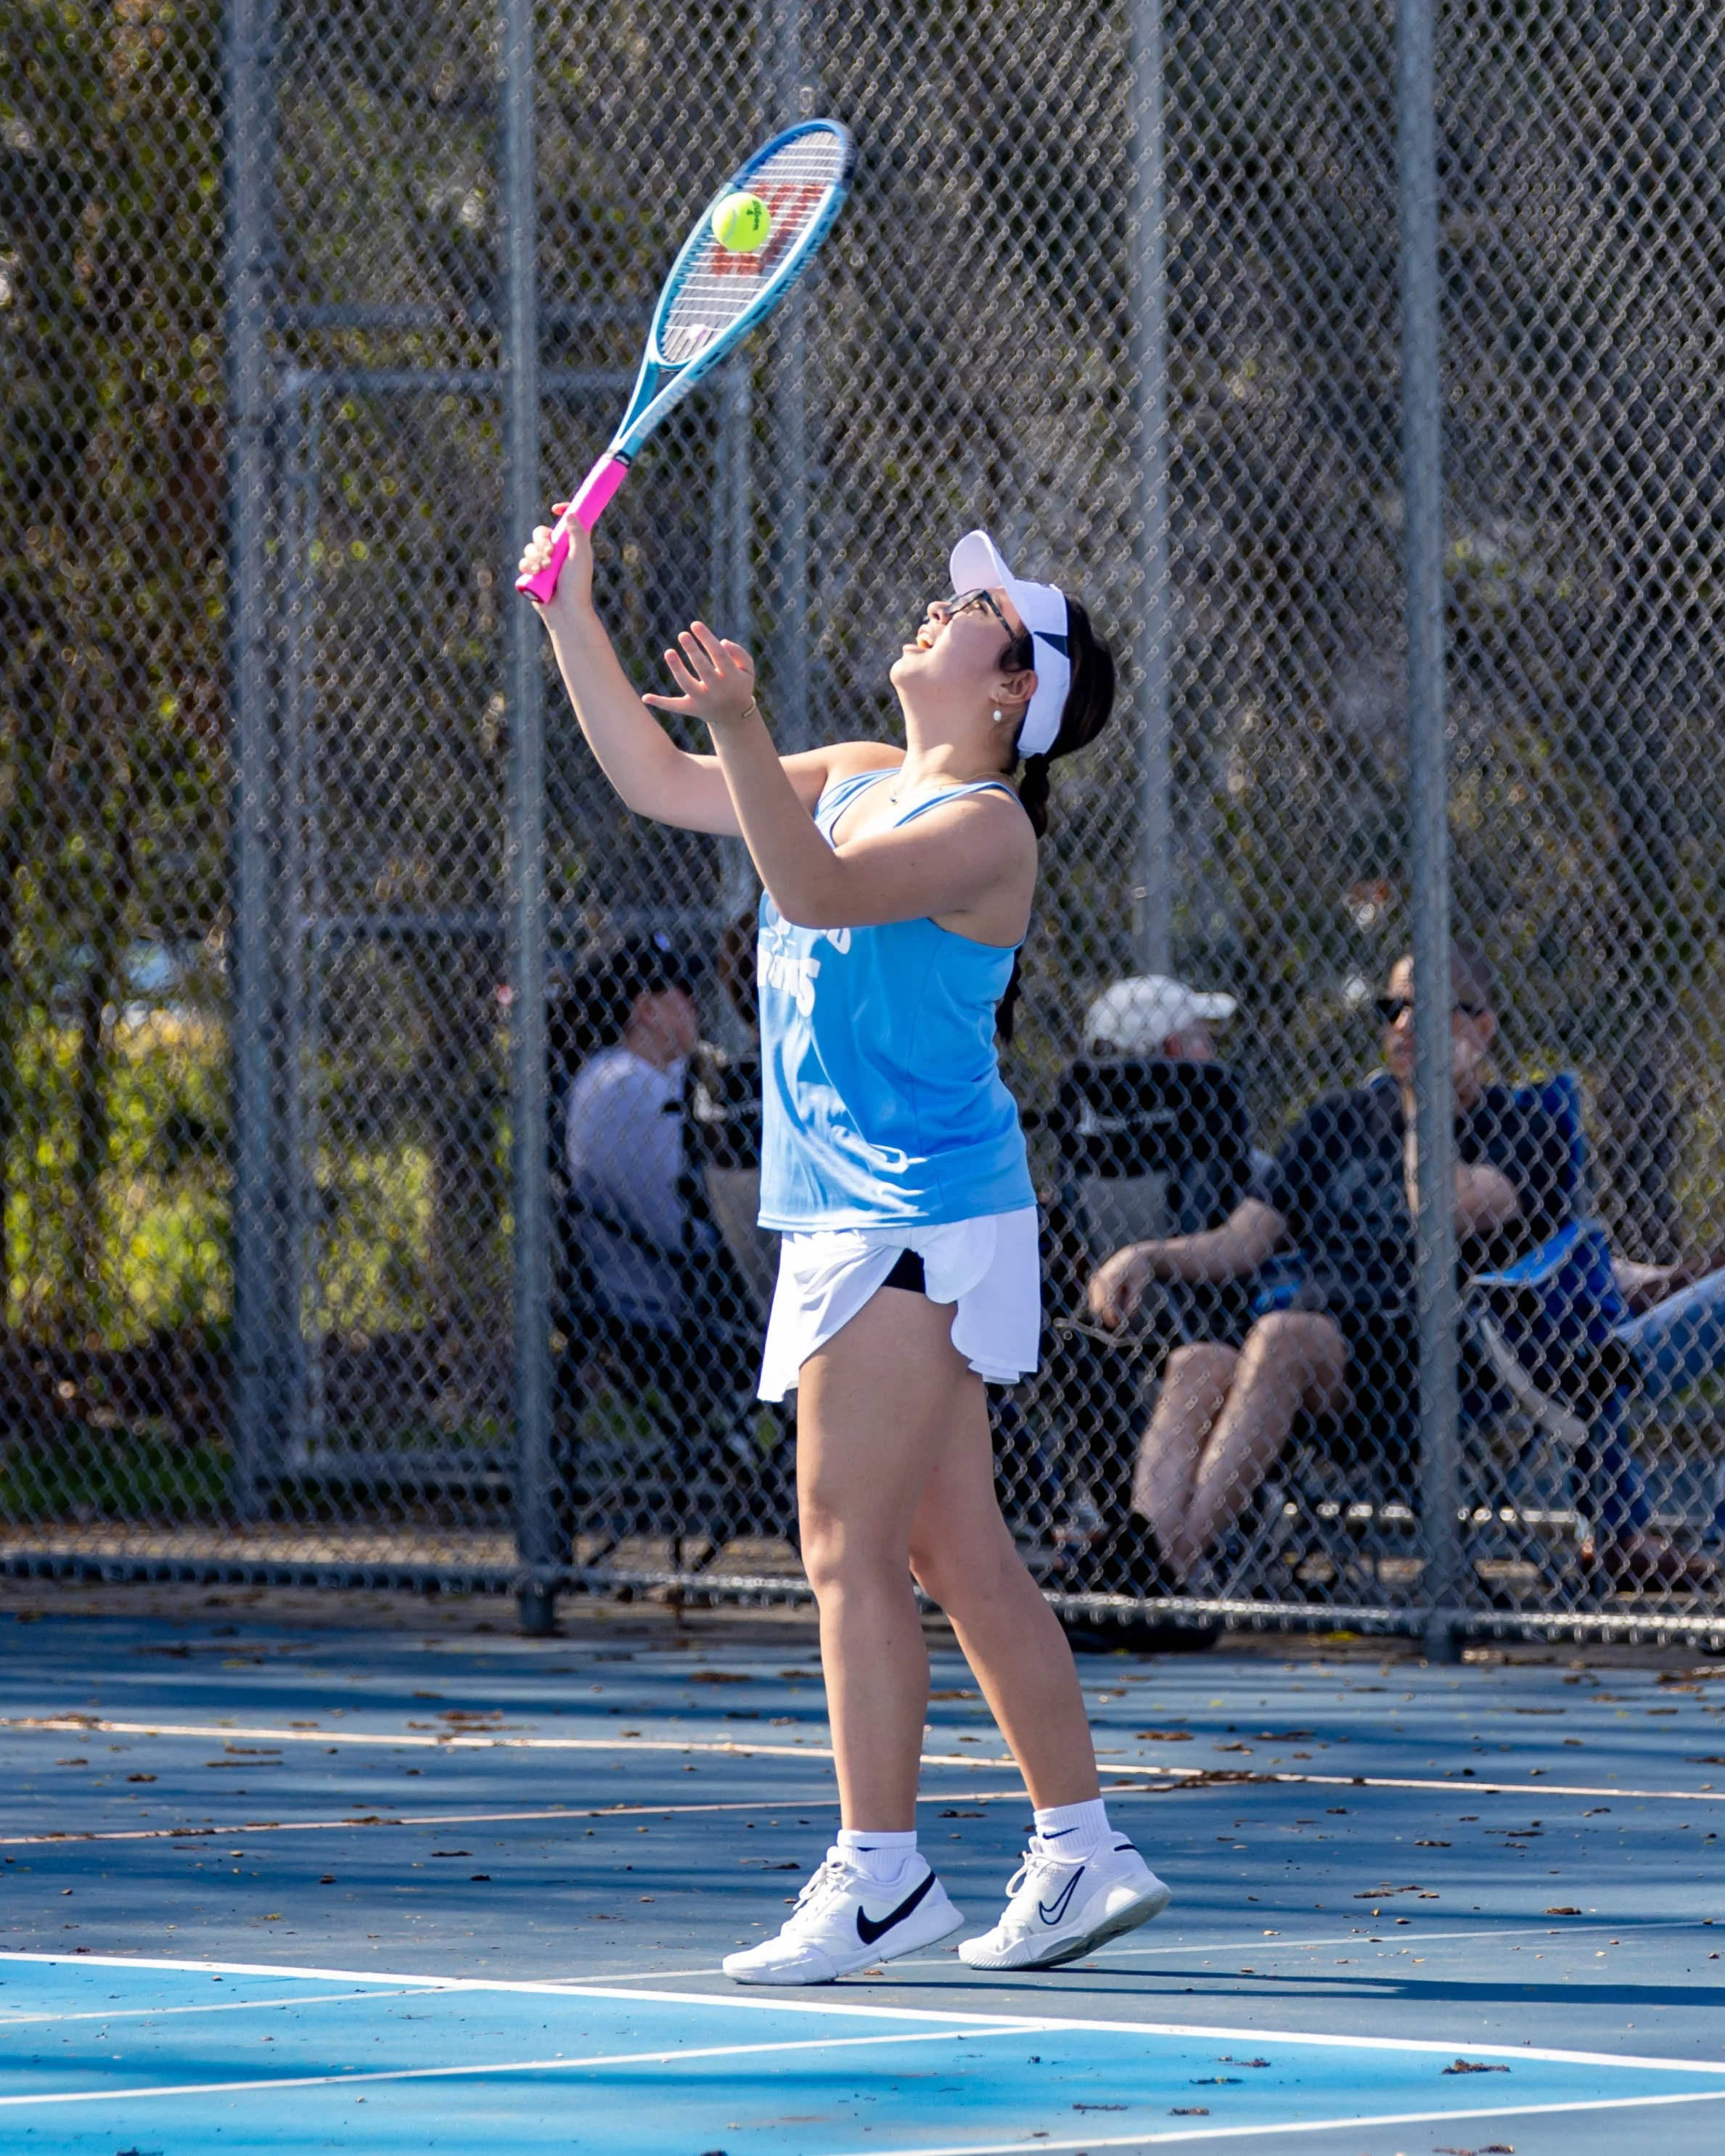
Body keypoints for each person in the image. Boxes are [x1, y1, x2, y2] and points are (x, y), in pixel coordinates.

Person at [520, 511, 1169, 1985]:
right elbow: (655, 776)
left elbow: (805, 889)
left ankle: (880, 1880)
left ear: (1016, 693)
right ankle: (1081, 1851)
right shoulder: (863, 776)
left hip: (914, 1213)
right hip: (879, 1212)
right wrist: (572, 614)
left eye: (979, 618)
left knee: (843, 1545)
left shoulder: (986, 829)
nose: (942, 617)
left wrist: (746, 724)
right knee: (952, 1546)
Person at [1084, 947, 1570, 1591]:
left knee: (1282, 1336)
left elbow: (1444, 1209)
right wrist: (1147, 1253)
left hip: (1428, 1357)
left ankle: (1160, 1578)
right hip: (1305, 1352)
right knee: (1196, 1362)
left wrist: (1427, 1104)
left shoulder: (1523, 1128)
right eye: (1392, 1008)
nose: (1401, 1026)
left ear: (1480, 1028)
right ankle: (1147, 1559)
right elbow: (1243, 1240)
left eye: (1425, 1012)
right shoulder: (1333, 1122)